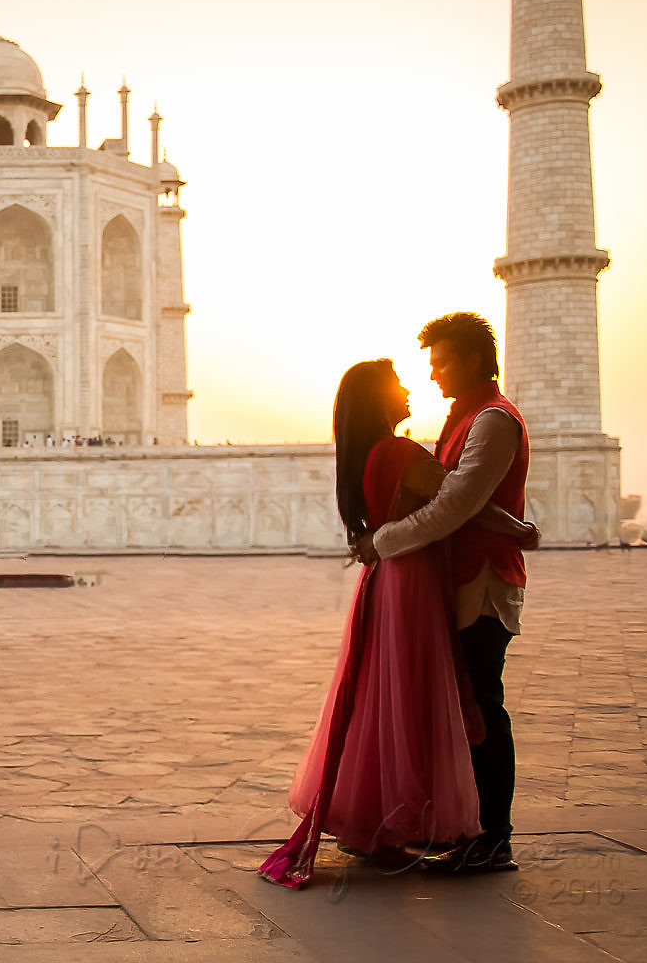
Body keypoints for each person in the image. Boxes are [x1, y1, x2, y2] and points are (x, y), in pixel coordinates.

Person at [260, 356, 535, 889]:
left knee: (382, 700)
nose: (413, 388)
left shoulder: (367, 455)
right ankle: (416, 824)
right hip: (411, 581)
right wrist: (520, 528)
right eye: (398, 386)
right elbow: (463, 501)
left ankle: (373, 823)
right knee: (412, 701)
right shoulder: (402, 451)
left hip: (387, 579)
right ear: (380, 401)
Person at [351, 313, 533, 873]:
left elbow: (455, 505)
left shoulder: (494, 421)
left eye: (442, 361)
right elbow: (464, 498)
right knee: (465, 710)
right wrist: (515, 526)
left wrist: (384, 540)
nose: (432, 374)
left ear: (474, 360)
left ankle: (493, 838)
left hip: (481, 583)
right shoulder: (466, 418)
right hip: (457, 582)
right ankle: (471, 830)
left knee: (482, 705)